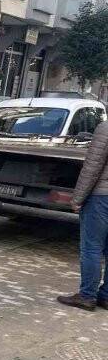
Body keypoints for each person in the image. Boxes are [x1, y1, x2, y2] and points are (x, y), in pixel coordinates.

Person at [57, 118, 108, 311]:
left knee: (92, 248)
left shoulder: (105, 128)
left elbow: (92, 168)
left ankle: (87, 296)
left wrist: (77, 199)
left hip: (101, 198)